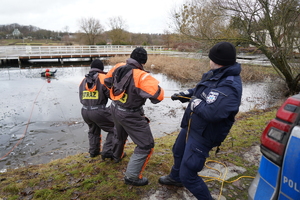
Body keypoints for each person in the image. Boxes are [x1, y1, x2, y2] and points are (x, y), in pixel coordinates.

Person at [158, 42, 242, 199]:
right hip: (192, 125)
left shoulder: (230, 86)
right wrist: (185, 95)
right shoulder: (215, 74)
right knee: (178, 150)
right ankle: (175, 178)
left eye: (210, 58)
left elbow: (213, 113)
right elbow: (200, 91)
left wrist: (195, 102)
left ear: (216, 59)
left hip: (204, 134)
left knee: (189, 173)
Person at [104, 47, 164, 186]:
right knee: (146, 145)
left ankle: (116, 156)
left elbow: (107, 81)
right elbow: (158, 96)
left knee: (119, 135)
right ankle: (132, 177)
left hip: (114, 108)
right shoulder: (142, 76)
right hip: (130, 114)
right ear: (143, 61)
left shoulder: (118, 66)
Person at [79, 59, 115, 159]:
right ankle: (108, 151)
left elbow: (81, 97)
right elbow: (113, 96)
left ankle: (93, 152)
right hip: (99, 111)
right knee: (116, 128)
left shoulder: (83, 80)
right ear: (102, 68)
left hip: (85, 111)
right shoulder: (103, 78)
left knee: (93, 131)